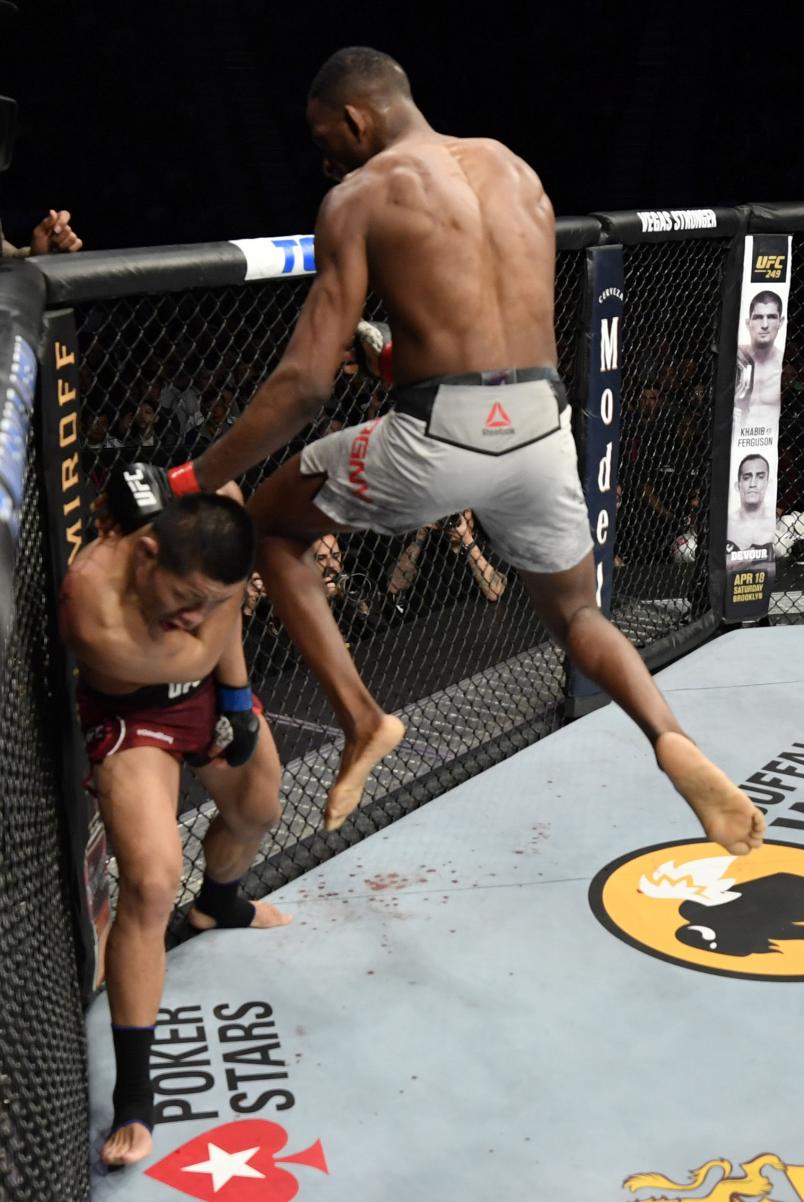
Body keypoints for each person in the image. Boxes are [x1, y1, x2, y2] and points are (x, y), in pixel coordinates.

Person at [103, 47, 764, 858]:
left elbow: (306, 385)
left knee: (273, 530)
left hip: (440, 433)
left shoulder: (359, 195)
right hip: (543, 425)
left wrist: (189, 478)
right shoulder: (514, 170)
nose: (324, 159)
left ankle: (363, 719)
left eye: (326, 139)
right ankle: (668, 736)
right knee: (578, 612)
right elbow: (492, 323)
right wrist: (397, 361)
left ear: (355, 119)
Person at [59, 492, 291, 1169]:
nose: (191, 615)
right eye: (185, 598)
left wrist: (242, 703)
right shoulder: (92, 599)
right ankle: (135, 1095)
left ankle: (219, 903)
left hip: (208, 693)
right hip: (133, 716)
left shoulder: (195, 543)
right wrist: (225, 616)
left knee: (259, 810)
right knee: (154, 880)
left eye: (208, 599)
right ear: (147, 554)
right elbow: (196, 650)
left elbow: (218, 611)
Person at [736, 291, 786, 419]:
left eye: (771, 317)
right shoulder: (736, 357)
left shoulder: (785, 364)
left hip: (770, 436)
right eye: (758, 317)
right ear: (748, 323)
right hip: (731, 435)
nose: (765, 325)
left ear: (780, 322)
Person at [726, 453, 775, 567]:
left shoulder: (775, 524)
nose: (753, 483)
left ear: (768, 484)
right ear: (738, 485)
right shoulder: (725, 523)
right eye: (747, 477)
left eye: (760, 476)